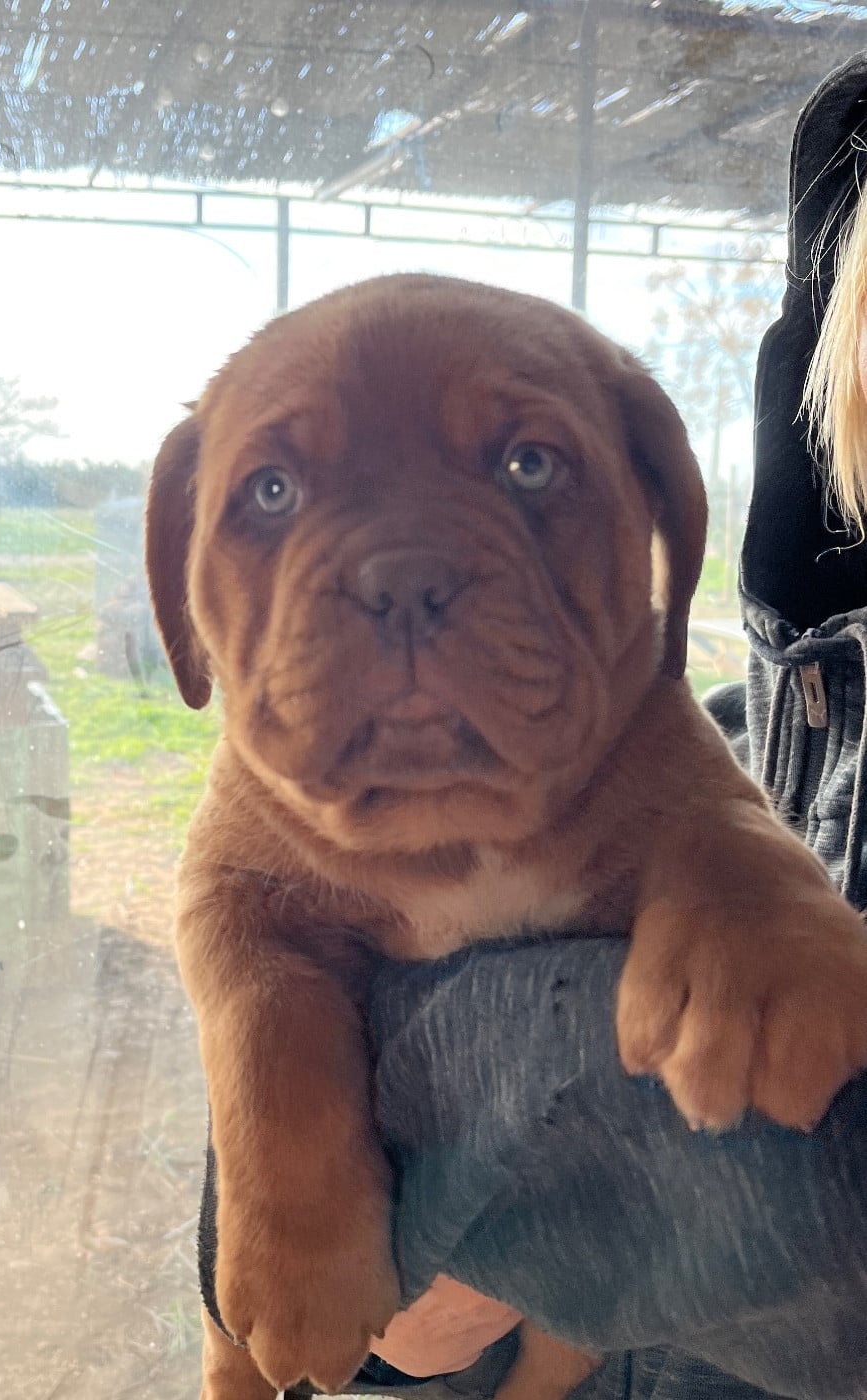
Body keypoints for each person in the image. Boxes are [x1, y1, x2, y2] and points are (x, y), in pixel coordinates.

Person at [200, 56, 867, 1400]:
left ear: (660, 516)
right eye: (274, 486)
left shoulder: (652, 721)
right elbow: (237, 916)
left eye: (524, 464)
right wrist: (276, 1148)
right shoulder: (791, 678)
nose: (399, 575)